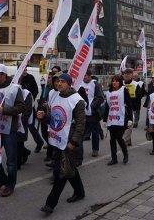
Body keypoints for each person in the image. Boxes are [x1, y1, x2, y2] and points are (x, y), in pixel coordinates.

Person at [38, 73, 86, 214]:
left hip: (68, 142)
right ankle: (80, 192)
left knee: (61, 172)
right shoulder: (54, 96)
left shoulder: (77, 100)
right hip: (57, 140)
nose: (59, 84)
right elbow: (54, 118)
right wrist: (44, 117)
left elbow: (81, 124)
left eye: (63, 81)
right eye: (58, 81)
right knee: (69, 168)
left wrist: (73, 142)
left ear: (69, 84)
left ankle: (50, 204)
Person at [0, 64, 26, 198]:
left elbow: (21, 107)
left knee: (11, 160)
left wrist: (4, 110)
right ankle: (1, 179)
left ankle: (10, 185)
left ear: (3, 75)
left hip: (9, 129)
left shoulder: (14, 89)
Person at [103, 75, 131, 165]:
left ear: (120, 82)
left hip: (121, 118)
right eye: (113, 81)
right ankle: (114, 158)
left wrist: (130, 118)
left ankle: (125, 154)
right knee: (112, 139)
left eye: (116, 81)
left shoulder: (123, 90)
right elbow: (107, 107)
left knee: (119, 138)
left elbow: (129, 104)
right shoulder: (108, 93)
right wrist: (104, 120)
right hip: (112, 119)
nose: (114, 82)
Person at [81, 69, 104, 157]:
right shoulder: (80, 84)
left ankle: (95, 149)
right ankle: (78, 151)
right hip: (82, 112)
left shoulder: (95, 84)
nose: (84, 77)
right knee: (81, 132)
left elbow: (100, 97)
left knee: (94, 132)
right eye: (83, 76)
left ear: (90, 76)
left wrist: (91, 106)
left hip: (92, 112)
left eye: (85, 76)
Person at [122, 68, 141, 145]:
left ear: (132, 75)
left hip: (131, 107)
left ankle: (125, 139)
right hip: (121, 107)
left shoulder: (136, 84)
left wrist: (134, 106)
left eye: (128, 74)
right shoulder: (121, 83)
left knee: (129, 123)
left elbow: (139, 96)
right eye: (125, 74)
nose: (126, 75)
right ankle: (128, 139)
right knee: (123, 123)